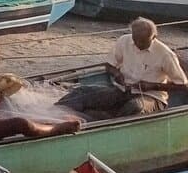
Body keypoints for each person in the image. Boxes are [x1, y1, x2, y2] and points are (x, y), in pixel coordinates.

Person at [59, 18, 187, 119]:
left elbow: (183, 85)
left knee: (134, 107)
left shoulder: (165, 54)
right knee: (83, 93)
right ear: (132, 34)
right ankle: (58, 112)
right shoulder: (124, 41)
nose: (138, 45)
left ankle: (106, 123)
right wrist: (116, 74)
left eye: (143, 42)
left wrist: (153, 86)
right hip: (123, 90)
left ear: (154, 37)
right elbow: (109, 65)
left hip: (152, 97)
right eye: (135, 40)